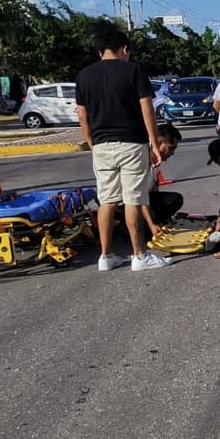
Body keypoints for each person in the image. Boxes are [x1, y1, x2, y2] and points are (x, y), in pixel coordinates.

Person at [76, 20, 172, 271]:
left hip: (101, 146)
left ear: (100, 51)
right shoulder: (133, 71)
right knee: (132, 199)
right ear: (124, 49)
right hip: (131, 143)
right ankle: (139, 256)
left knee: (106, 201)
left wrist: (91, 143)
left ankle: (105, 256)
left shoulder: (84, 76)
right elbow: (146, 109)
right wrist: (153, 142)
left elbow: (82, 116)